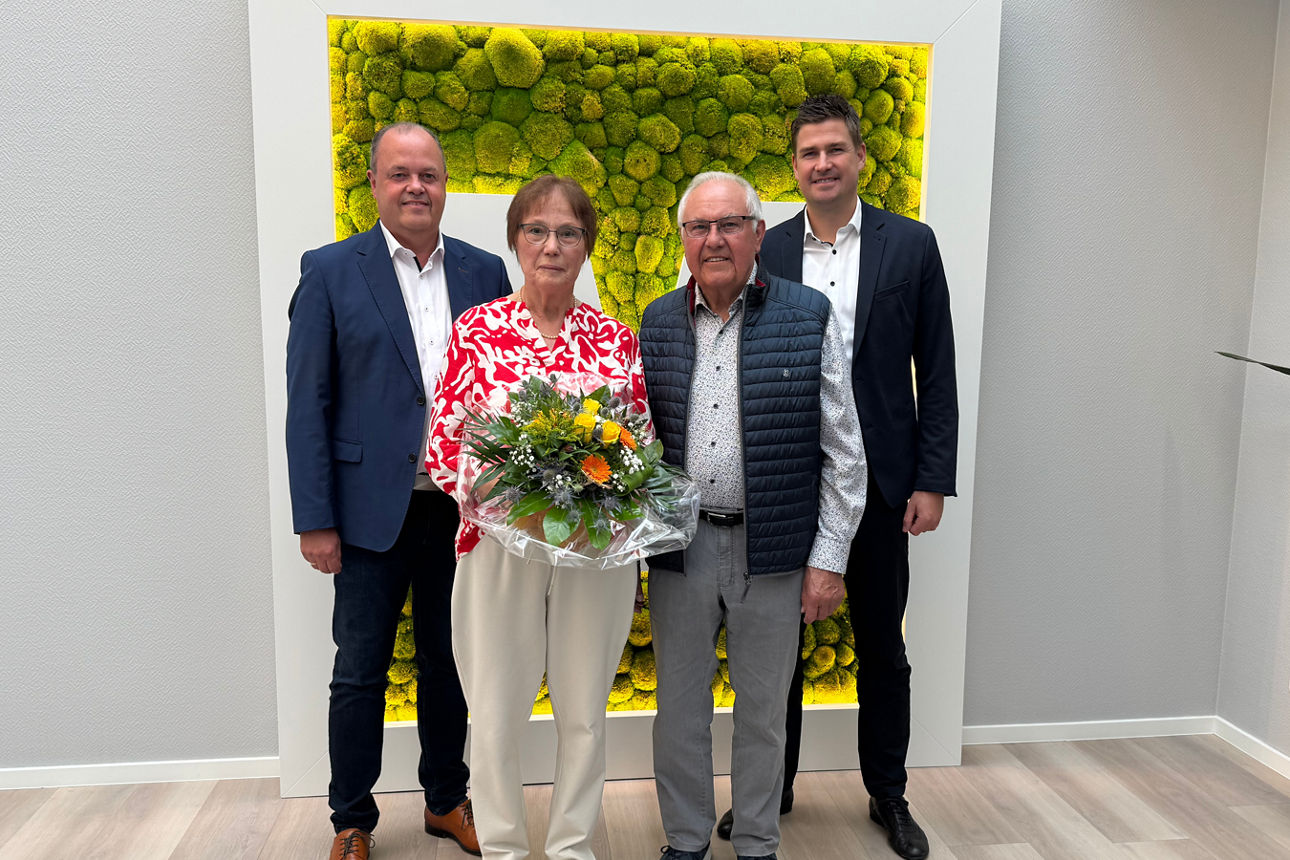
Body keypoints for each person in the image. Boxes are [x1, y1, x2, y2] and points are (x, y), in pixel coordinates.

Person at [717, 94, 958, 860]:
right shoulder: (768, 250)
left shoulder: (911, 245)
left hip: (885, 483)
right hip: (784, 479)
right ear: (794, 166)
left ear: (860, 158)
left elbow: (938, 370)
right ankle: (772, 786)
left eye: (834, 150)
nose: (822, 163)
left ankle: (889, 792)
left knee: (883, 646)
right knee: (773, 646)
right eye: (808, 153)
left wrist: (932, 477)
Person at [286, 121, 512, 860]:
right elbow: (308, 403)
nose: (416, 187)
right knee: (359, 672)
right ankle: (351, 819)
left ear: (445, 184)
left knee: (452, 664)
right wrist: (314, 519)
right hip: (363, 516)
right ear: (375, 184)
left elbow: (505, 395)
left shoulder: (484, 272)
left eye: (429, 174)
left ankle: (446, 800)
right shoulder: (329, 269)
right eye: (400, 174)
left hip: (459, 510)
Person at [638, 171, 866, 860]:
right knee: (678, 711)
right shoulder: (655, 320)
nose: (714, 239)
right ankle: (684, 841)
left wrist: (829, 560)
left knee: (764, 716)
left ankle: (759, 843)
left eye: (729, 224)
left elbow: (844, 448)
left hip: (774, 550)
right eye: (699, 226)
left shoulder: (806, 317)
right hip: (681, 549)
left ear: (758, 233)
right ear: (682, 239)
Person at [427, 174, 649, 860]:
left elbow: (638, 440)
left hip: (597, 550)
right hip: (499, 548)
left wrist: (600, 507)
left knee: (584, 713)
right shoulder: (478, 330)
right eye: (537, 230)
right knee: (494, 713)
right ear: (516, 240)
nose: (552, 246)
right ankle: (501, 847)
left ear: (587, 246)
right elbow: (443, 445)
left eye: (569, 232)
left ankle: (573, 846)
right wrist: (510, 506)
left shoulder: (615, 339)